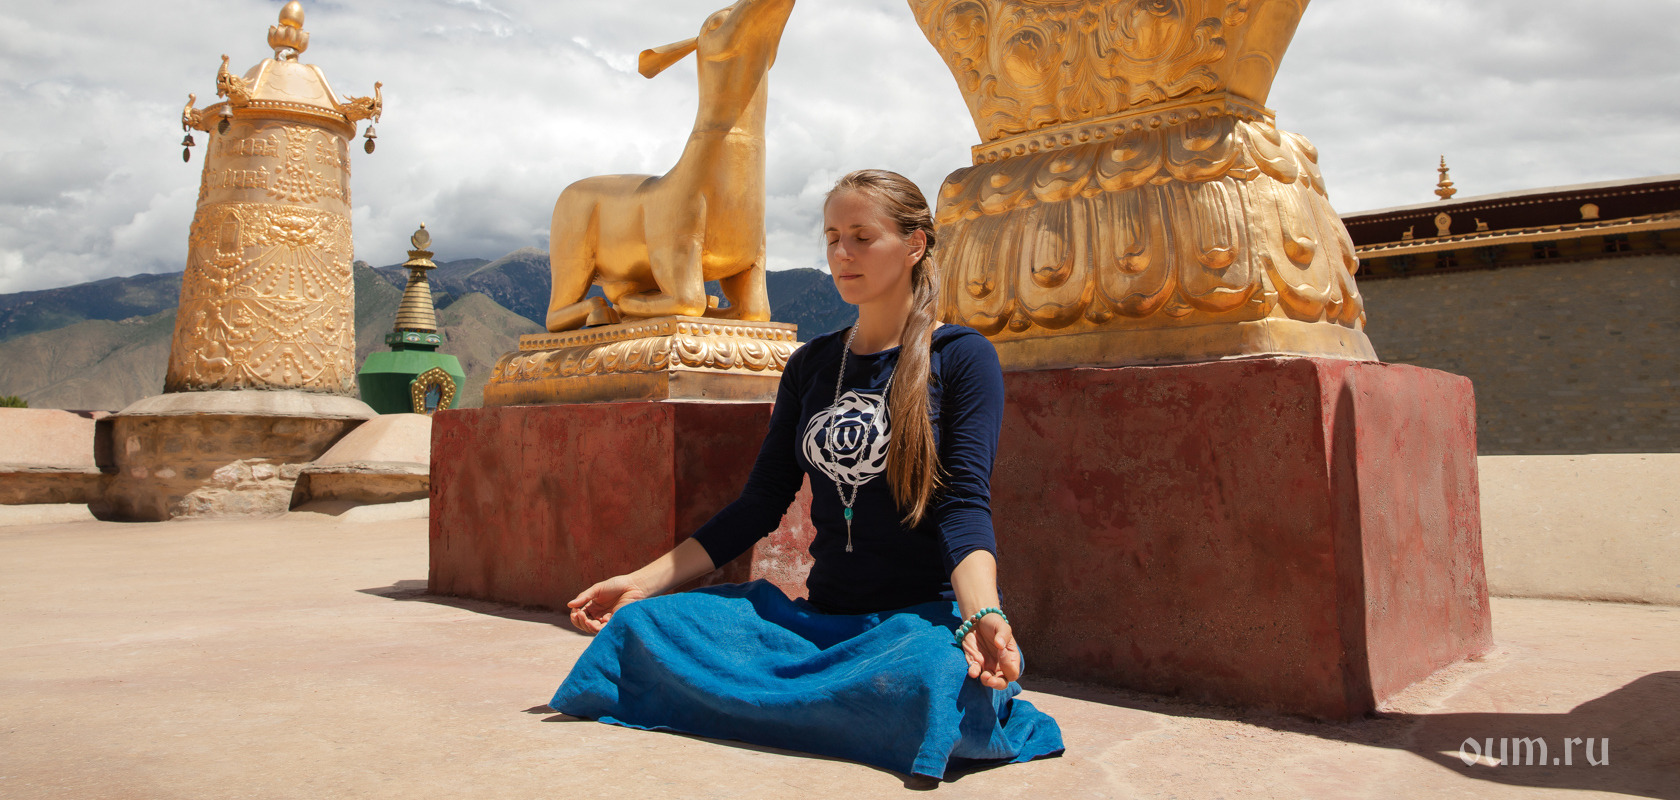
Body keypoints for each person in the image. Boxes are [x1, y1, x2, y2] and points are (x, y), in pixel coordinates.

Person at [549, 169, 1063, 780]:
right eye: (832, 238)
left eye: (862, 238)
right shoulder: (812, 365)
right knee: (645, 625)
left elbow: (964, 507)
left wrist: (982, 617)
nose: (842, 254)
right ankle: (829, 705)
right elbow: (759, 504)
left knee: (937, 676)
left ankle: (802, 704)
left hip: (911, 629)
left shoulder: (960, 358)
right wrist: (640, 583)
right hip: (815, 624)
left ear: (915, 244)